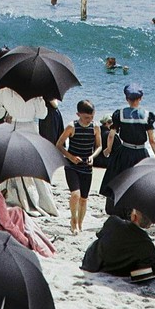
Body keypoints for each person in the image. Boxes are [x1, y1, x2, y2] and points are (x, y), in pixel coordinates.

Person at [81, 207, 155, 282]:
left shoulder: (113, 222)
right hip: (118, 272)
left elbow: (99, 234)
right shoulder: (148, 247)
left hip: (92, 264)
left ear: (134, 217)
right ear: (150, 224)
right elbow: (143, 274)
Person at [100, 84, 155, 193]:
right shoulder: (147, 115)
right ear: (141, 98)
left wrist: (108, 149)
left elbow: (111, 135)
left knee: (120, 181)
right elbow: (152, 140)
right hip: (141, 153)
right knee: (141, 183)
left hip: (125, 152)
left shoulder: (120, 114)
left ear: (127, 99)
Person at [57, 99, 100, 234]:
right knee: (75, 194)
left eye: (92, 117)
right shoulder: (72, 126)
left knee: (84, 198)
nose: (89, 120)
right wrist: (70, 157)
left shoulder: (95, 127)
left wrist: (93, 157)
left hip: (87, 166)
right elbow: (59, 145)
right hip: (71, 165)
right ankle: (73, 220)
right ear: (78, 114)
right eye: (87, 117)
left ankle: (80, 223)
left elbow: (99, 146)